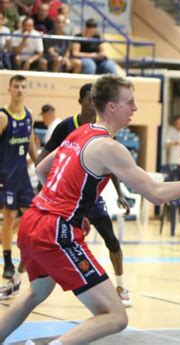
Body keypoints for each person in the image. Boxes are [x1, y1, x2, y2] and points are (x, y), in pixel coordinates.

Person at [0, 75, 180, 344]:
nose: (134, 108)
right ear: (112, 106)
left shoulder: (80, 131)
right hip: (55, 229)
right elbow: (156, 194)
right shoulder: (109, 148)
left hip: (33, 221)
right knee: (116, 316)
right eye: (130, 102)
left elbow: (42, 169)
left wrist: (75, 211)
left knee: (36, 293)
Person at [30, 83, 133, 307]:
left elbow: (111, 165)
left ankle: (121, 285)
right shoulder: (68, 127)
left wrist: (119, 193)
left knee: (111, 240)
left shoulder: (103, 132)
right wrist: (52, 190)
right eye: (88, 99)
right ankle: (17, 279)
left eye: (94, 99)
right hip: (64, 203)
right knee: (43, 246)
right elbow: (41, 164)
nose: (91, 103)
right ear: (81, 102)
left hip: (90, 200)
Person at [0, 75, 38, 280]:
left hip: (23, 175)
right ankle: (7, 262)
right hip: (6, 176)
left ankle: (3, 237)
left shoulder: (29, 114)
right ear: (9, 89)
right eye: (16, 86)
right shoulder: (3, 117)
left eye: (23, 86)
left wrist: (40, 165)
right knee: (9, 216)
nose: (20, 90)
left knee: (33, 216)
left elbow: (31, 144)